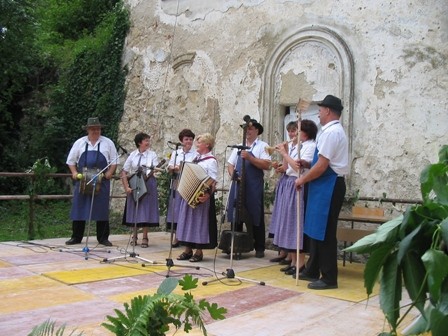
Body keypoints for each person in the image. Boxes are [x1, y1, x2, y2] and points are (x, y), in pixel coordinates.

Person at [294, 95, 349, 290]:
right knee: (315, 228)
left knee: (324, 231)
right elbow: (320, 163)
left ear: (327, 111)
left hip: (329, 184)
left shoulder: (331, 132)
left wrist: (302, 178)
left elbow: (323, 166)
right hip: (323, 184)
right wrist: (308, 163)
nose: (318, 112)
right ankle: (312, 268)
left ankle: (328, 277)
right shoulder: (329, 131)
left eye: (320, 108)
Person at [272, 120, 317, 276]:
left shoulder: (311, 146)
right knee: (290, 222)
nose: (294, 134)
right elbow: (287, 167)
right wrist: (284, 152)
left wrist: (285, 153)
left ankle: (300, 263)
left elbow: (298, 167)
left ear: (305, 132)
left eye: (298, 131)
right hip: (291, 182)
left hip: (300, 184)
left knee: (297, 223)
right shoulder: (299, 146)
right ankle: (294, 261)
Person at [65, 117, 118, 246]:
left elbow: (114, 161)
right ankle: (76, 237)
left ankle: (103, 238)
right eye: (93, 129)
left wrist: (110, 172)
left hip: (101, 180)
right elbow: (71, 161)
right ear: (88, 130)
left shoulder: (108, 143)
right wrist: (74, 173)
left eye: (98, 129)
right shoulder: (80, 143)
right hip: (83, 180)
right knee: (79, 207)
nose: (96, 131)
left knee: (102, 209)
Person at [227, 119, 271, 258]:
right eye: (246, 129)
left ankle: (259, 247)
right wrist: (233, 174)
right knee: (236, 213)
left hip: (253, 185)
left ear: (257, 130)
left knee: (255, 213)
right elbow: (230, 164)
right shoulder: (239, 146)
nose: (248, 131)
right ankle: (235, 246)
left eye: (250, 129)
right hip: (239, 184)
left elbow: (266, 165)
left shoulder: (263, 146)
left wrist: (250, 158)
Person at [176, 133, 218, 262]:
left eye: (199, 142)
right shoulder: (195, 158)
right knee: (188, 221)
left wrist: (207, 195)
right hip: (189, 194)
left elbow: (213, 181)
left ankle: (199, 252)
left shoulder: (211, 161)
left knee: (199, 223)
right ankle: (188, 250)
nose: (196, 144)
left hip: (201, 196)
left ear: (207, 144)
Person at [121, 132, 160, 247]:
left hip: (148, 183)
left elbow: (155, 168)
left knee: (146, 210)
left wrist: (153, 172)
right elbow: (124, 172)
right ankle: (134, 235)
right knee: (135, 210)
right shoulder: (132, 155)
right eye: (146, 140)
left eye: (148, 140)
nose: (148, 143)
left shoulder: (152, 155)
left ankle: (145, 237)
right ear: (139, 143)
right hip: (134, 183)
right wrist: (126, 187)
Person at [166, 129, 196, 247]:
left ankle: (185, 237)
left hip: (188, 183)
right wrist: (172, 168)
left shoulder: (195, 154)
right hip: (176, 182)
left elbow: (192, 167)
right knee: (175, 209)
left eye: (190, 139)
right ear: (181, 141)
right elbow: (169, 166)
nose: (189, 141)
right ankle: (176, 237)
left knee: (185, 210)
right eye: (186, 139)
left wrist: (180, 167)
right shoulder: (176, 152)